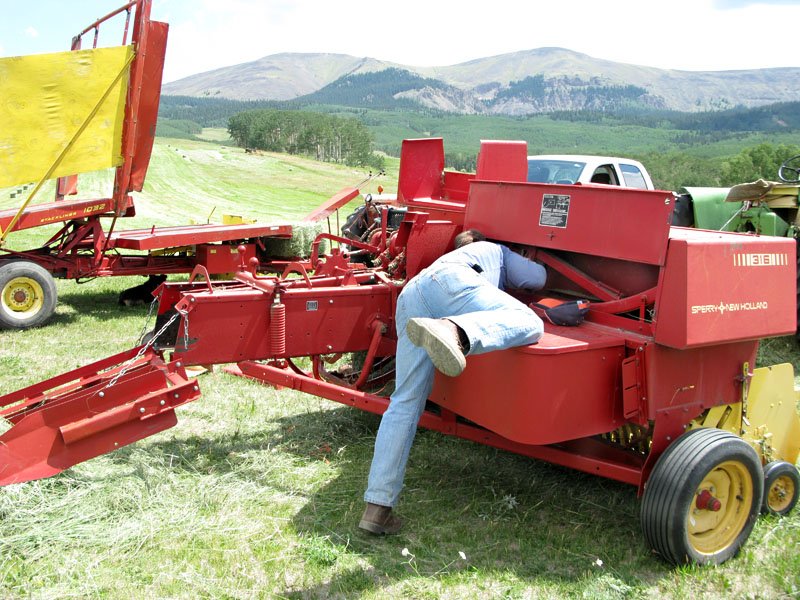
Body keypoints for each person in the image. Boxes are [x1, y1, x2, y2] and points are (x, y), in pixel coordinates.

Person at [359, 229, 547, 534]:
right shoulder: (497, 249)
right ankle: (456, 331)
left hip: (414, 292)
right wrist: (532, 260)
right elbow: (536, 280)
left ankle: (377, 509)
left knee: (404, 403)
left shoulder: (456, 253)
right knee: (531, 322)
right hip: (452, 287)